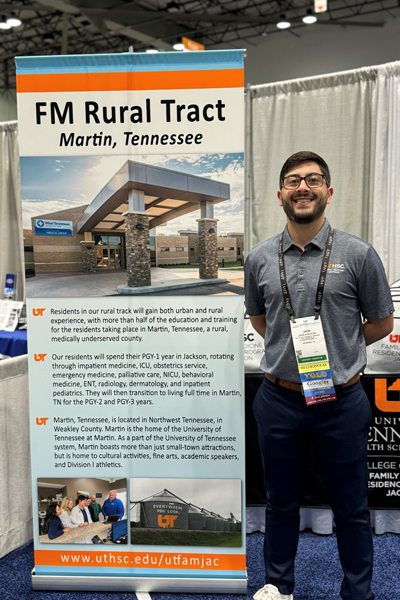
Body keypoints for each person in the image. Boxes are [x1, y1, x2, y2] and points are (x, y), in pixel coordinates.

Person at [245, 151, 394, 600]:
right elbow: (260, 320)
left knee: (351, 507)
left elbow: (382, 323)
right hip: (279, 399)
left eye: (313, 179)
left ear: (328, 192)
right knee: (281, 503)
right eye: (293, 181)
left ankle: (357, 593)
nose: (303, 187)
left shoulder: (359, 254)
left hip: (342, 401)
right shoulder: (258, 258)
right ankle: (279, 586)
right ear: (280, 195)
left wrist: (341, 352)